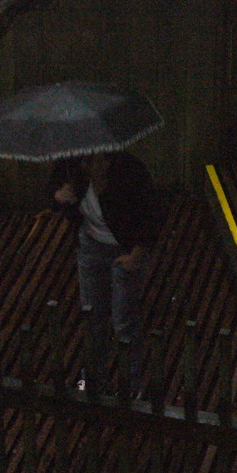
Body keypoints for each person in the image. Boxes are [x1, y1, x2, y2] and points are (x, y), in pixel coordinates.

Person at [49, 151, 162, 397]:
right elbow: (54, 194)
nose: (95, 166)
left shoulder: (131, 174)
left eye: (101, 160)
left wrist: (137, 254)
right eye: (89, 161)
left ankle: (132, 384)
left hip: (125, 249)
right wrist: (59, 196)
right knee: (93, 315)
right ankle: (93, 378)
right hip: (90, 246)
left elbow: (151, 216)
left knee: (124, 319)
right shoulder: (72, 168)